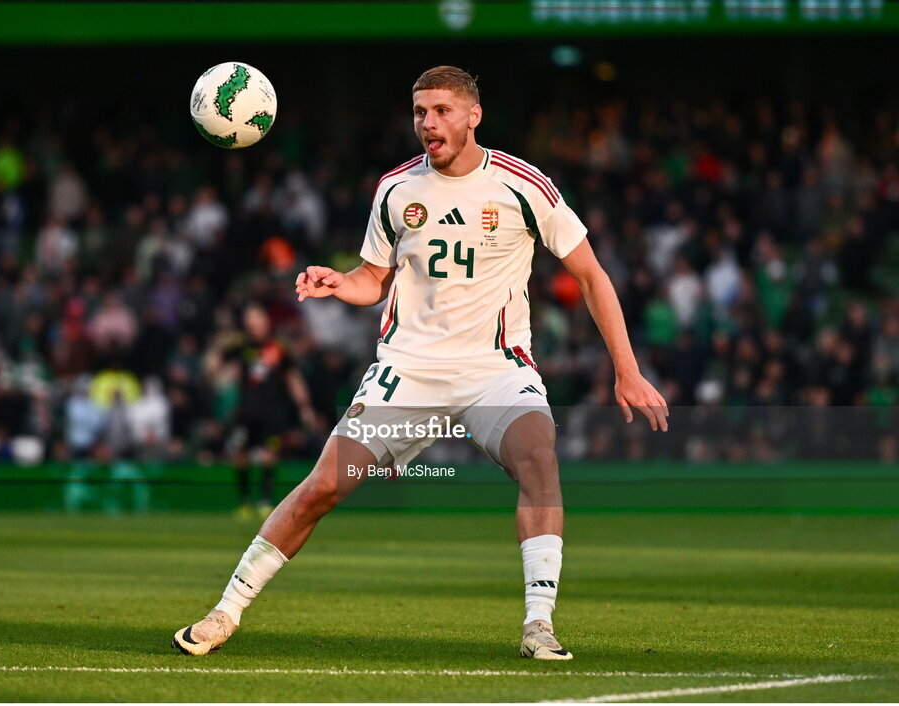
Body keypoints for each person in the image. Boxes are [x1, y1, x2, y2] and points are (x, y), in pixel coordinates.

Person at [173, 66, 668, 661]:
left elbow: (591, 274)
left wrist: (627, 369)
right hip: (409, 369)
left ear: (472, 115)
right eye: (419, 112)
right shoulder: (396, 190)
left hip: (496, 368)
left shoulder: (523, 185)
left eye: (440, 111)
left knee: (539, 459)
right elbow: (372, 279)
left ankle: (539, 624)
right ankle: (224, 613)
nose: (428, 124)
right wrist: (338, 282)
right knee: (320, 488)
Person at [223, 303, 319, 519]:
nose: (253, 325)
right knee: (240, 455)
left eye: (256, 320)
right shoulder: (240, 346)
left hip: (271, 411)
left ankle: (265, 500)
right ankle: (245, 502)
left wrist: (305, 406)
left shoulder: (278, 348)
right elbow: (219, 364)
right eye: (249, 321)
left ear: (266, 322)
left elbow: (293, 378)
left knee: (269, 455)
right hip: (245, 410)